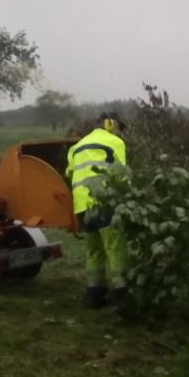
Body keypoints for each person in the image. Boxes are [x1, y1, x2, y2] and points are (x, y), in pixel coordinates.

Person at [65, 113, 129, 309]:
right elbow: (121, 174)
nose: (120, 133)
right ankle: (122, 294)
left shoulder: (77, 146)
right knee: (115, 247)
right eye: (120, 129)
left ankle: (94, 294)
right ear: (112, 125)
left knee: (94, 250)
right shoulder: (115, 142)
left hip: (83, 205)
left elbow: (69, 173)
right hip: (104, 201)